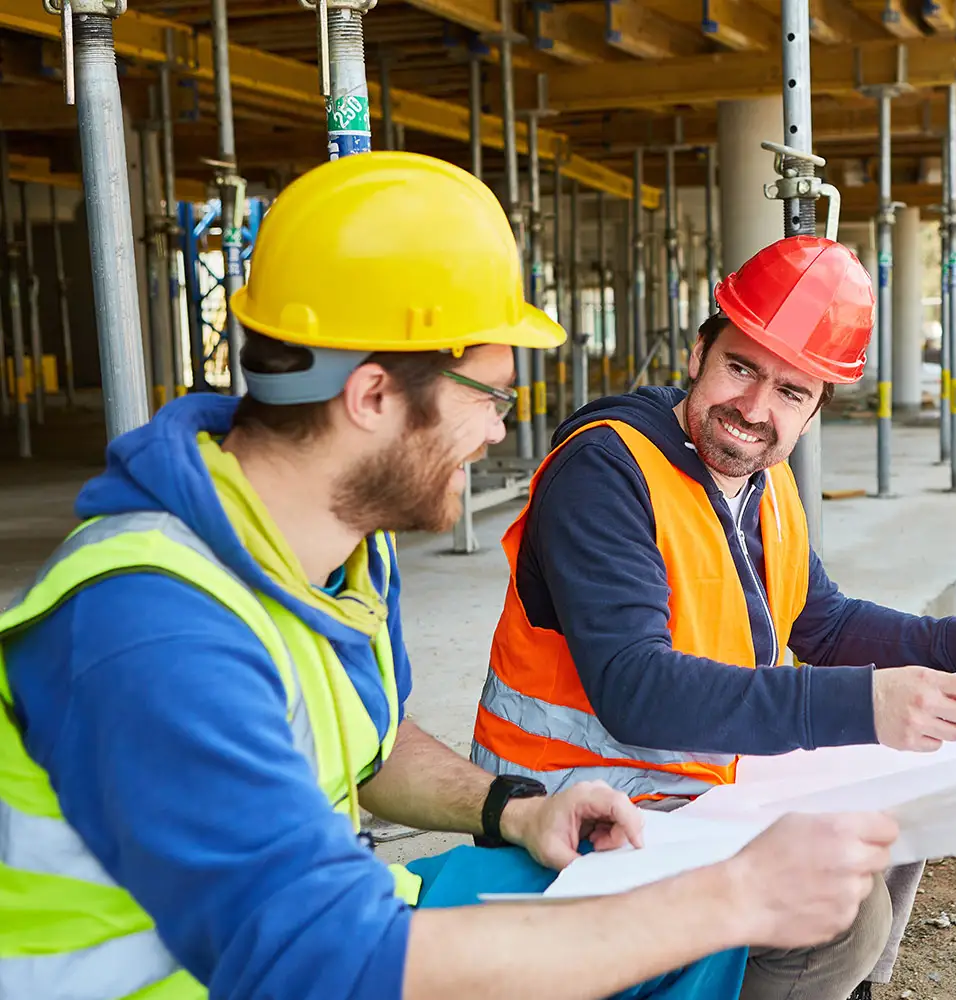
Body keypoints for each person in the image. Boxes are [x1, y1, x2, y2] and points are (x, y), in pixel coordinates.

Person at [0, 152, 901, 1000]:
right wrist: (727, 899)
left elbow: (373, 746)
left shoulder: (339, 550)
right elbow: (326, 964)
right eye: (489, 397)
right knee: (709, 921)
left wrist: (513, 807)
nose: (500, 434)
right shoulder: (155, 629)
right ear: (374, 395)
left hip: (321, 927)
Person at [470, 234, 956, 999]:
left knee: (900, 811)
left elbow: (824, 623)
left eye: (790, 392)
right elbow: (633, 687)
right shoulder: (606, 470)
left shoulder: (762, 480)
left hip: (698, 777)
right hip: (568, 803)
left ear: (814, 412)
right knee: (836, 919)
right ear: (697, 353)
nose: (754, 409)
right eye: (741, 368)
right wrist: (865, 707)